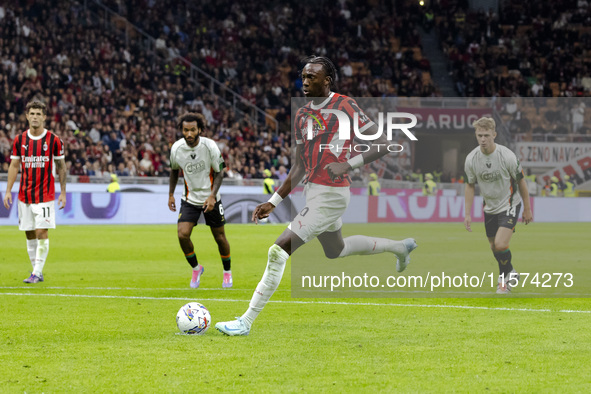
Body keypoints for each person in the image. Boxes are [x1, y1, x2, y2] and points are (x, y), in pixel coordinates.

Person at [216, 56, 417, 336]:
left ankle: (245, 322)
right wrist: (273, 202)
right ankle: (399, 247)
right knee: (337, 250)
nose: (305, 82)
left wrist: (349, 164)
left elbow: (385, 143)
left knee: (278, 251)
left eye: (312, 77)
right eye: (304, 76)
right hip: (314, 192)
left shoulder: (345, 106)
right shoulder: (301, 115)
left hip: (332, 195)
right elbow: (299, 166)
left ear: (327, 80)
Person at [464, 117, 533, 294]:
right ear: (475, 135)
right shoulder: (471, 159)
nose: (483, 139)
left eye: (486, 135)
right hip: (489, 208)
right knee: (494, 247)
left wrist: (527, 208)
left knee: (501, 244)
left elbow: (521, 182)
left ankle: (503, 282)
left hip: (509, 203)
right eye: (479, 135)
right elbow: (470, 185)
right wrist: (467, 213)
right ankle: (510, 272)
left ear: (494, 134)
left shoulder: (507, 156)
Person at [3, 101, 67, 283]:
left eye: (39, 113)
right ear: (27, 116)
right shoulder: (19, 140)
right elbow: (14, 166)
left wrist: (62, 192)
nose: (35, 117)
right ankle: (36, 270)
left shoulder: (54, 140)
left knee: (41, 232)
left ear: (45, 117)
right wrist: (8, 191)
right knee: (29, 232)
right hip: (24, 195)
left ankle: (37, 272)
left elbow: (61, 167)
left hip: (45, 195)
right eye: (32, 113)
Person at [168, 113, 233, 289]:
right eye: (185, 130)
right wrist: (171, 194)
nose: (189, 134)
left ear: (200, 130)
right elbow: (174, 171)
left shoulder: (209, 146)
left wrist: (212, 195)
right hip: (189, 199)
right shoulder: (176, 148)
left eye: (192, 130)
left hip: (211, 198)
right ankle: (196, 268)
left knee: (219, 237)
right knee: (182, 234)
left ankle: (227, 272)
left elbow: (220, 171)